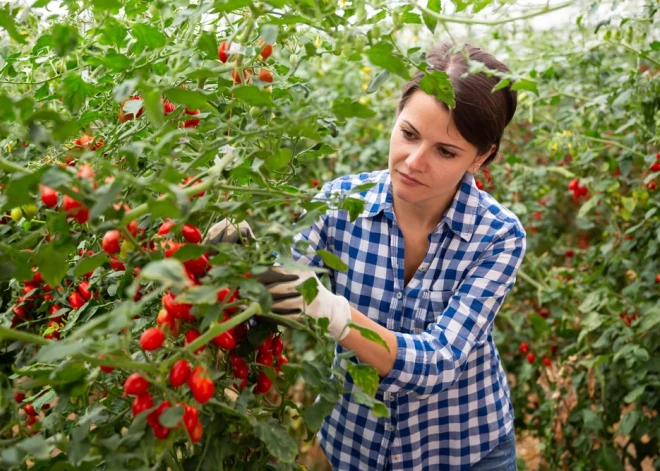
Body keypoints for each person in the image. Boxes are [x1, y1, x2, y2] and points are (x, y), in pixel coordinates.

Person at [209, 42, 525, 471]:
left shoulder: (497, 236)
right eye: (409, 134)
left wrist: (330, 311)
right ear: (396, 118)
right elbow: (277, 290)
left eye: (445, 151)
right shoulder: (340, 203)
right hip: (357, 447)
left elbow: (440, 360)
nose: (414, 161)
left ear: (481, 157)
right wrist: (240, 268)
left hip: (464, 450)